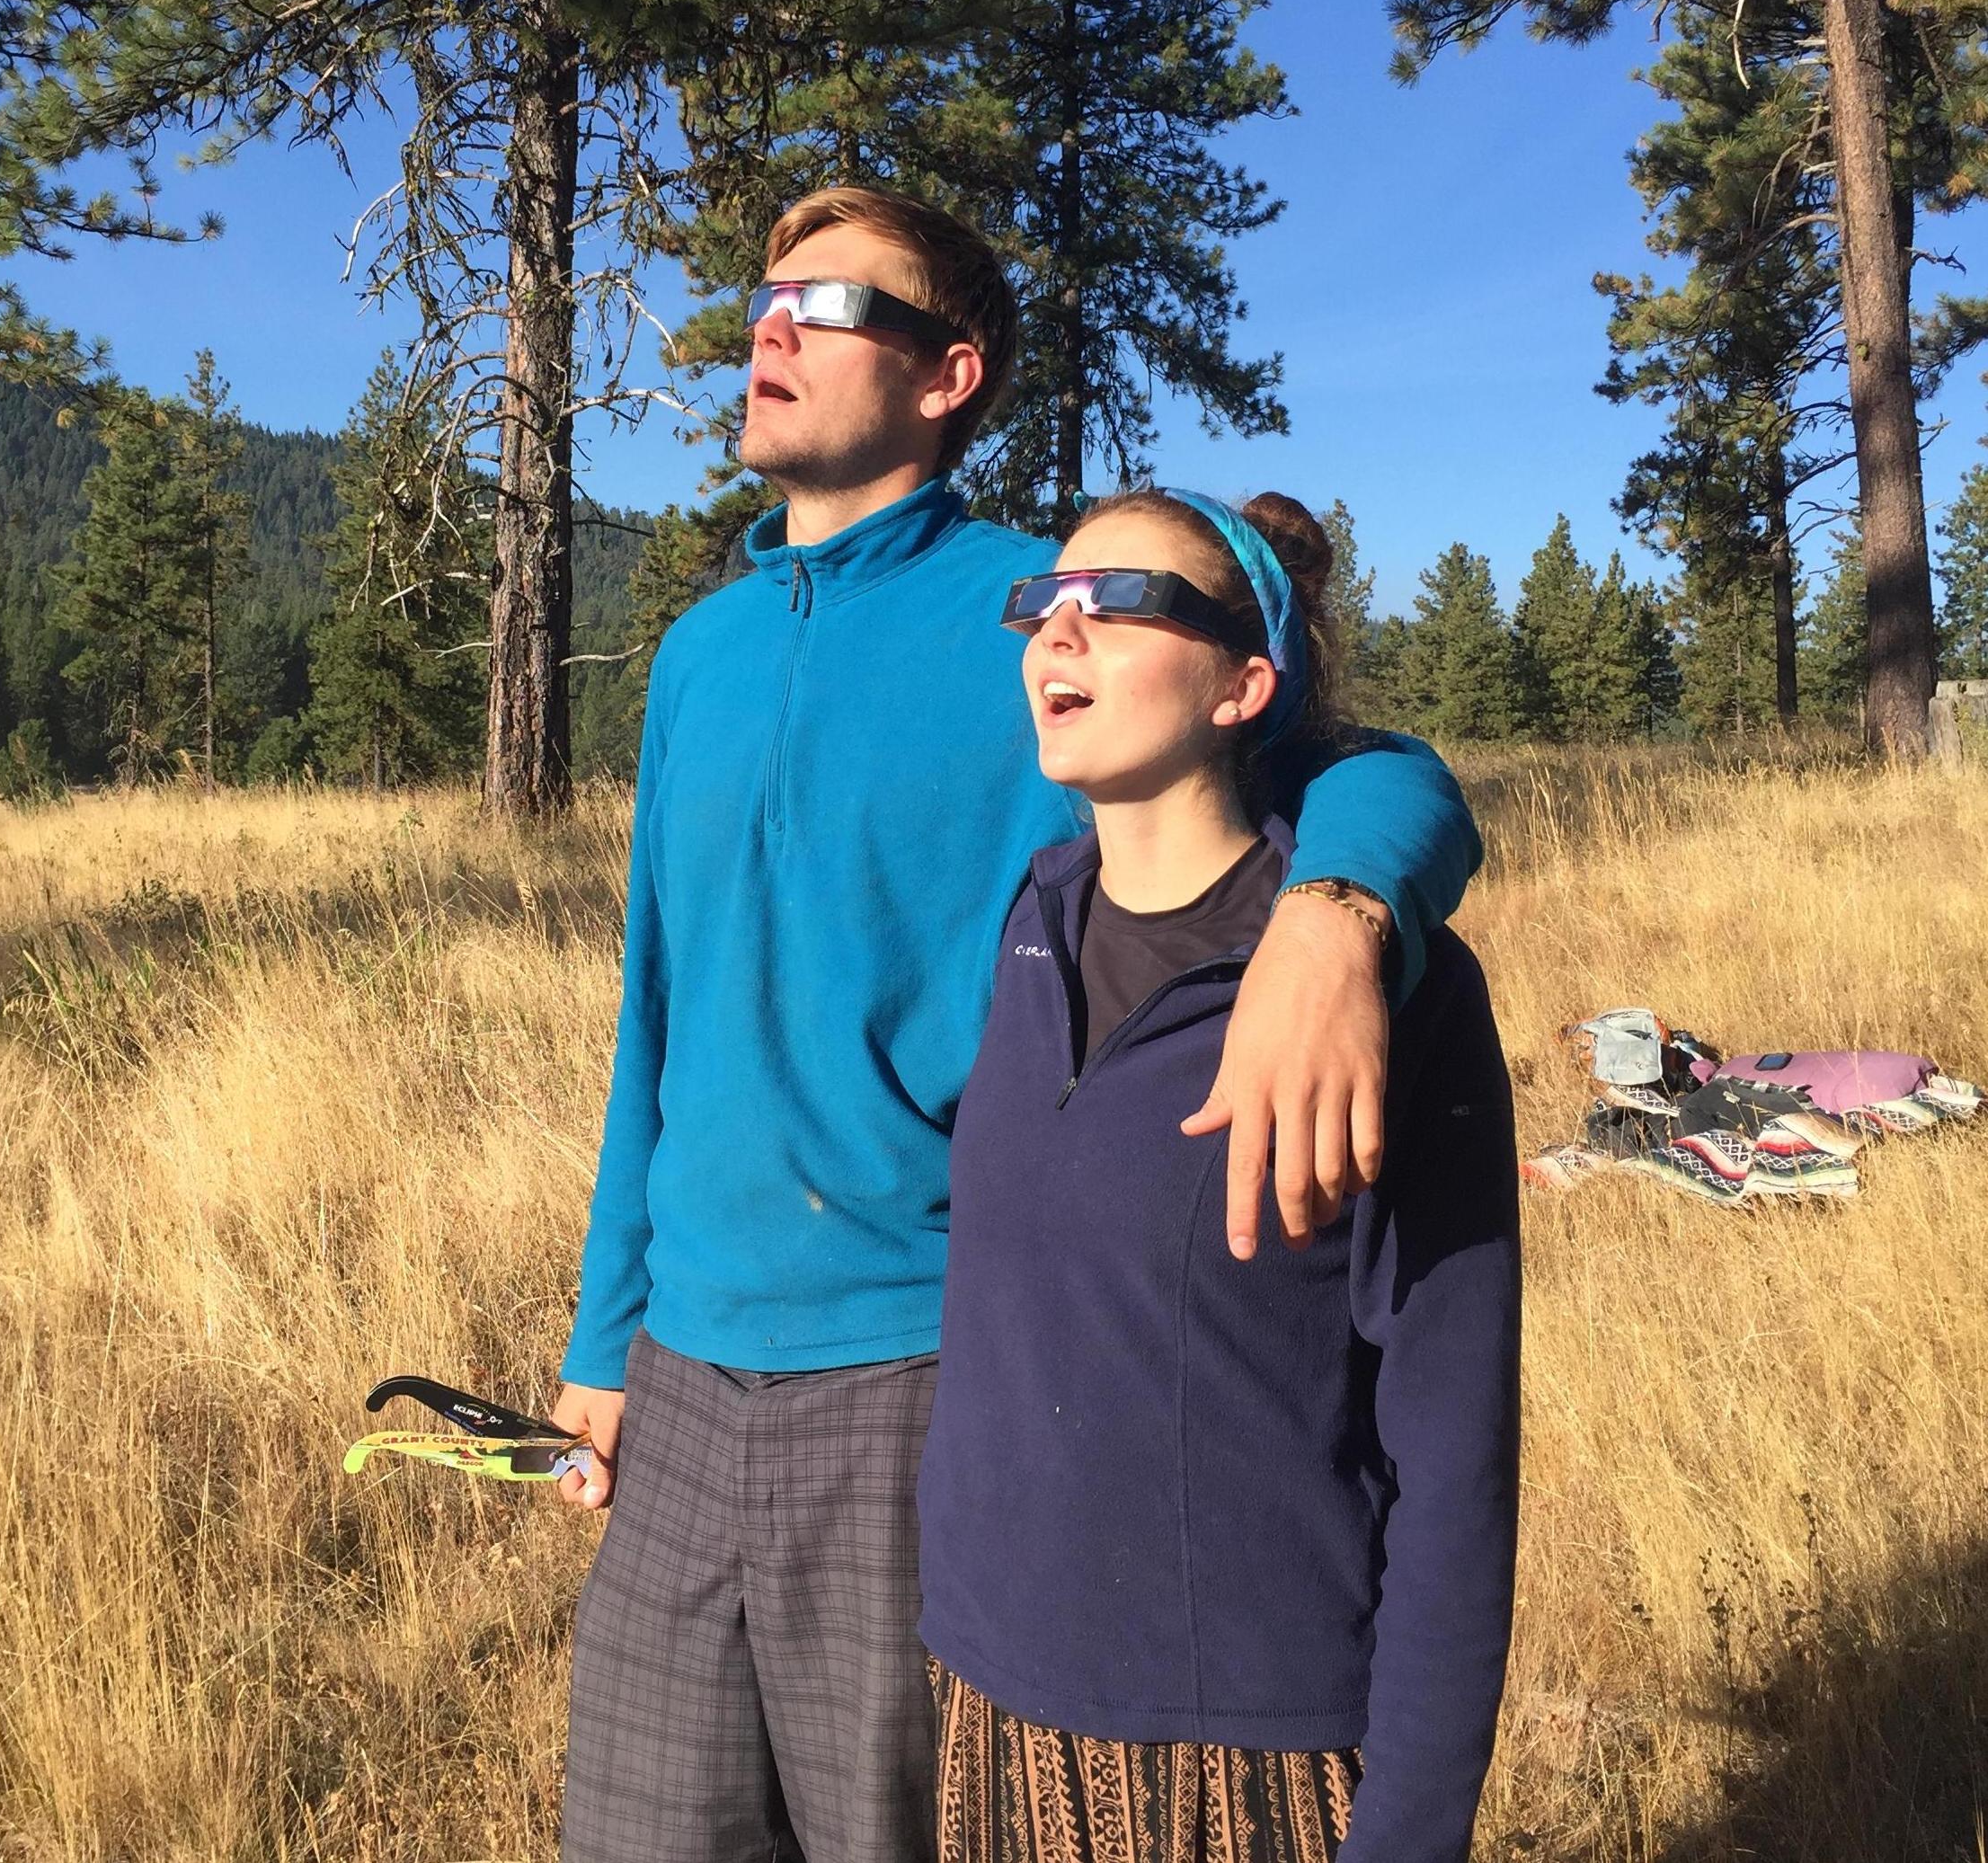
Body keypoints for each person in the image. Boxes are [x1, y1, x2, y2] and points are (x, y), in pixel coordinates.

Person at [546, 187, 1487, 1863]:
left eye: (828, 303)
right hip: (682, 1371)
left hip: (917, 1369)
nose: (769, 324)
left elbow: (1369, 766)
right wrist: (604, 1336)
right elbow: (657, 1008)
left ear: (944, 374)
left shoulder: (1036, 617)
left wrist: (1340, 918)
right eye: (765, 293)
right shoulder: (698, 652)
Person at [917, 488, 1521, 1863]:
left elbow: (1455, 1458)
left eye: (1121, 599)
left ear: (1246, 685)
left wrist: (1409, 1834)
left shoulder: (1383, 993)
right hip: (986, 1694)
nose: (1058, 622)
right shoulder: (1031, 921)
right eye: (1044, 599)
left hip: (1237, 1749)